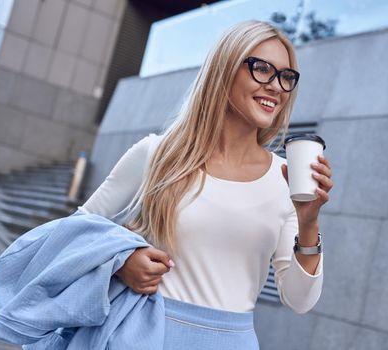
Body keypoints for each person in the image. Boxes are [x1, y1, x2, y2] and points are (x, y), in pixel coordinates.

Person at [80, 20, 333, 349]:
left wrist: (308, 221)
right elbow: (75, 233)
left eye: (286, 77)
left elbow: (300, 300)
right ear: (224, 71)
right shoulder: (156, 154)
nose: (276, 86)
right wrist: (119, 263)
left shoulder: (286, 178)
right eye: (261, 69)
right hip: (141, 335)